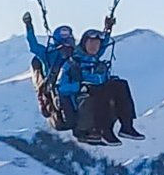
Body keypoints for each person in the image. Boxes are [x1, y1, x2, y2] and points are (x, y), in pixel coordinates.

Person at [56, 17, 144, 146]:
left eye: (97, 44)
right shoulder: (72, 63)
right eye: (91, 43)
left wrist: (108, 29)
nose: (94, 47)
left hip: (99, 96)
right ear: (84, 43)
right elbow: (61, 88)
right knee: (100, 92)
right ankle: (104, 131)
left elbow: (104, 44)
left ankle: (127, 126)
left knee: (121, 85)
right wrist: (79, 87)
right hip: (83, 105)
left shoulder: (96, 61)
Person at [23, 14, 77, 129]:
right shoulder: (48, 54)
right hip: (54, 86)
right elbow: (33, 46)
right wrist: (29, 26)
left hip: (71, 85)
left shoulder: (76, 54)